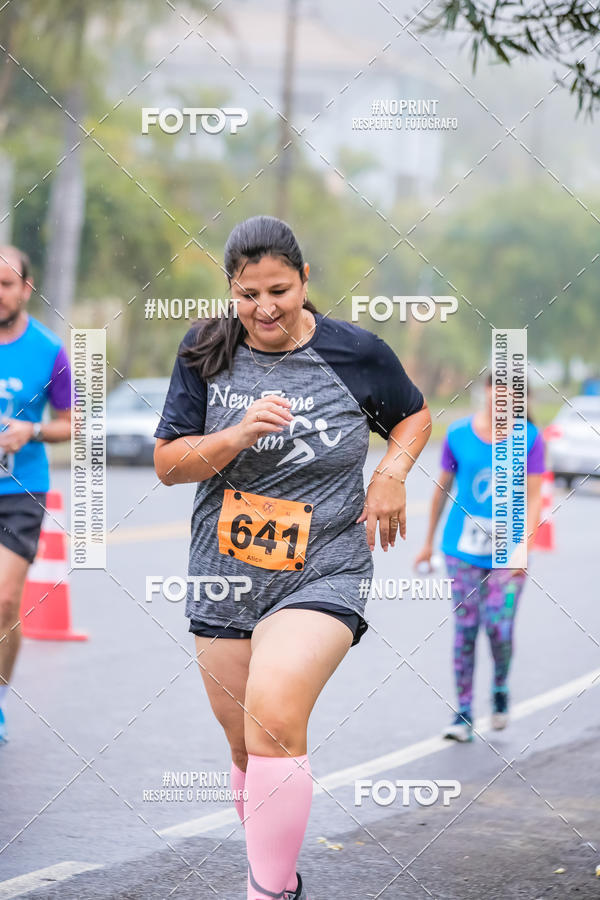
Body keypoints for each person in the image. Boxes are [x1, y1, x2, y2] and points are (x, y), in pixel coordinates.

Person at [154, 215, 431, 900]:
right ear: (231, 290)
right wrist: (237, 434)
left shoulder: (355, 352)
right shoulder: (205, 349)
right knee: (246, 744)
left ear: (305, 280)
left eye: (279, 290)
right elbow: (168, 464)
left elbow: (413, 415)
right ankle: (279, 876)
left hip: (325, 566)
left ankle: (267, 893)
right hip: (225, 574)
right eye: (248, 295)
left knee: (274, 717)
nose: (265, 308)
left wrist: (391, 472)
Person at [415, 374, 544, 742]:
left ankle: (500, 687)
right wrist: (427, 543)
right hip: (462, 550)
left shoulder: (530, 439)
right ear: (485, 392)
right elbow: (441, 490)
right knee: (466, 628)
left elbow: (535, 497)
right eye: (495, 390)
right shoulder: (458, 434)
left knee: (499, 629)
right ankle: (464, 713)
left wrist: (524, 547)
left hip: (508, 552)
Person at [0, 246, 72, 744]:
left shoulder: (49, 350)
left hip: (20, 491)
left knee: (5, 600)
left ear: (26, 289)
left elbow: (72, 422)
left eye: (6, 284)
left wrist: (32, 431)